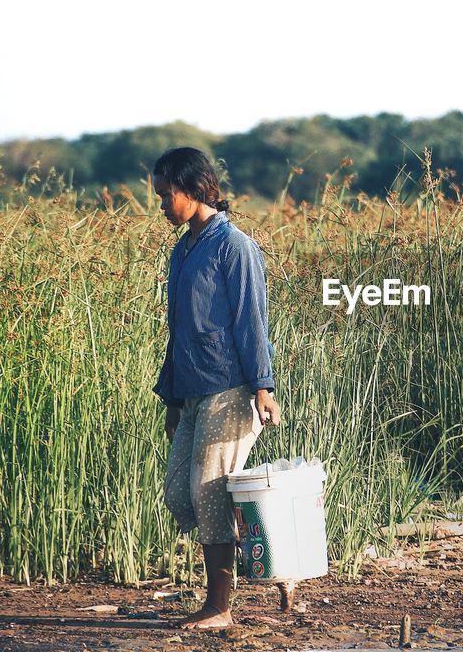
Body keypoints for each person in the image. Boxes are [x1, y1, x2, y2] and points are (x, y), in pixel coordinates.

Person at [150, 147, 281, 630]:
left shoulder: (234, 246)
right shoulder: (182, 250)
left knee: (208, 497)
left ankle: (219, 608)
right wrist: (172, 398)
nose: (162, 204)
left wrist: (263, 388)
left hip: (231, 388)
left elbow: (252, 321)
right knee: (180, 497)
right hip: (192, 391)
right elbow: (179, 328)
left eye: (167, 195)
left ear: (193, 189)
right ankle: (275, 563)